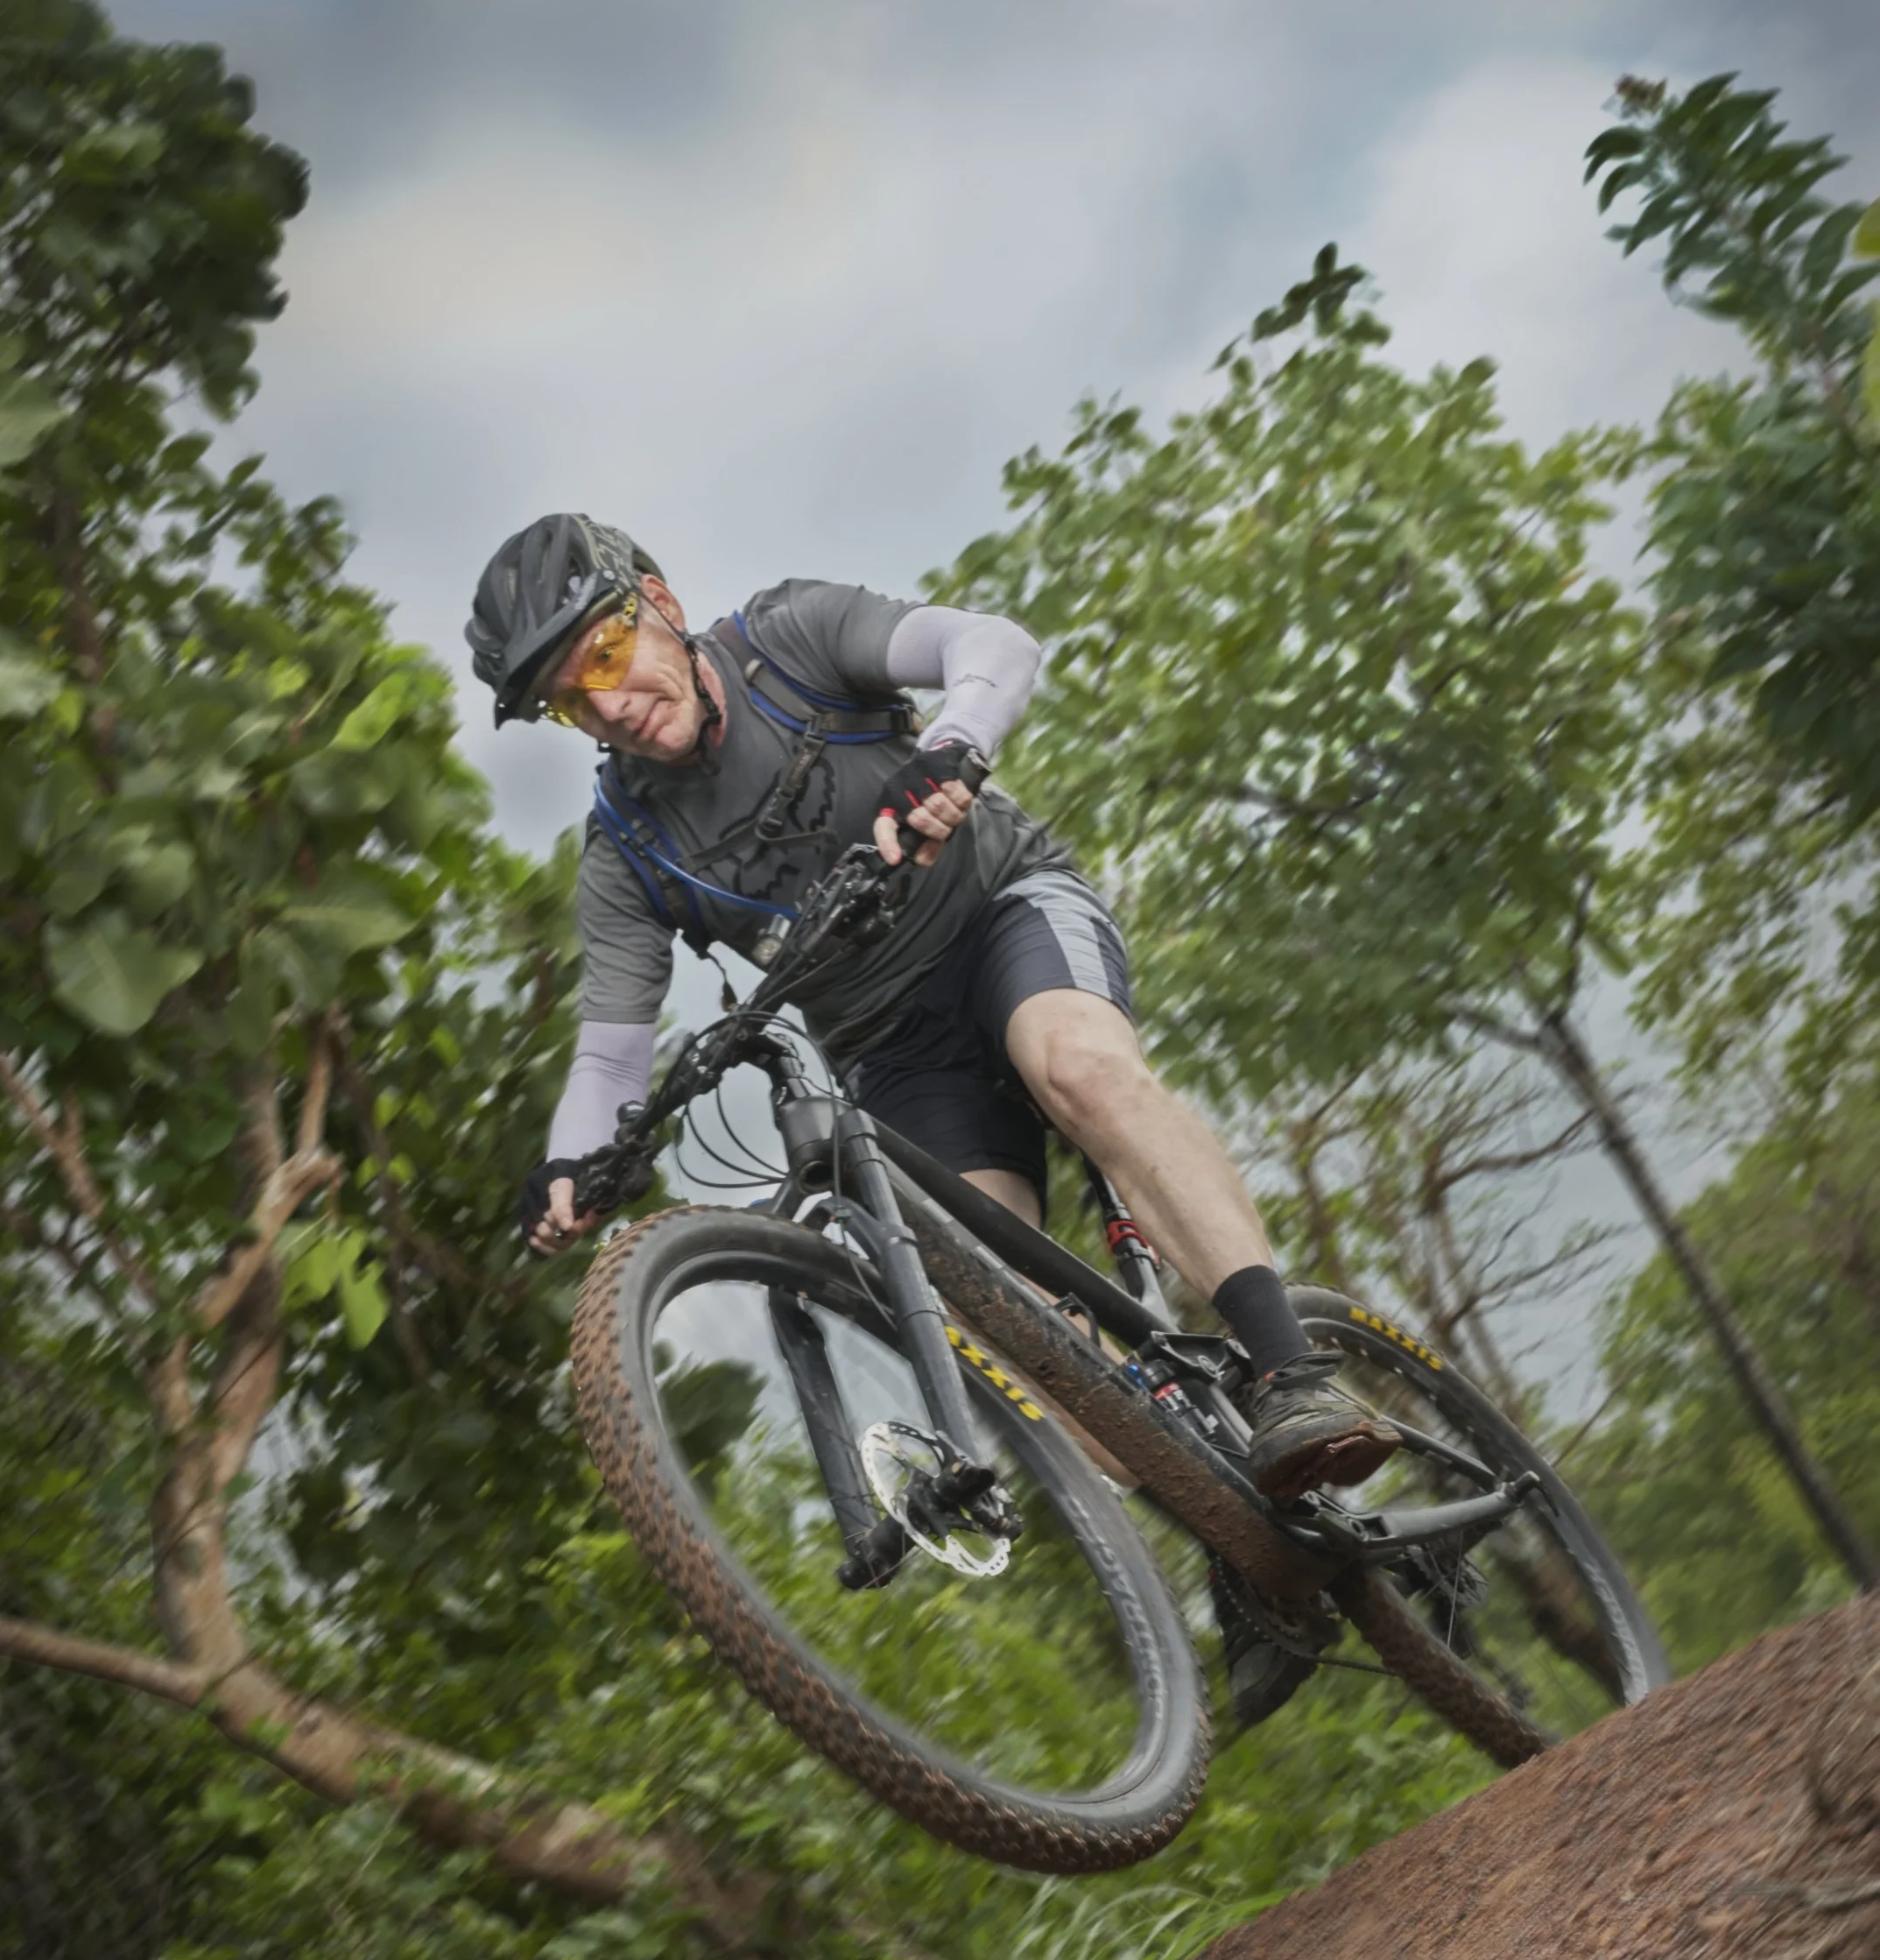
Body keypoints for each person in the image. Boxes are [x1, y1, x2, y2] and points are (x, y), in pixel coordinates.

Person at [466, 511, 1397, 1559]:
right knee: (1020, 1332)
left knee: (1079, 1068)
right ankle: (1255, 1553)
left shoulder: (787, 638)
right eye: (566, 698)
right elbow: (609, 1056)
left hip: (1002, 913)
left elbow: (992, 645)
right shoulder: (626, 848)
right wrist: (570, 1164)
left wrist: (952, 748)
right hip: (896, 1049)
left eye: (605, 649)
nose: (609, 701)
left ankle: (1290, 1374)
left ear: (661, 604)